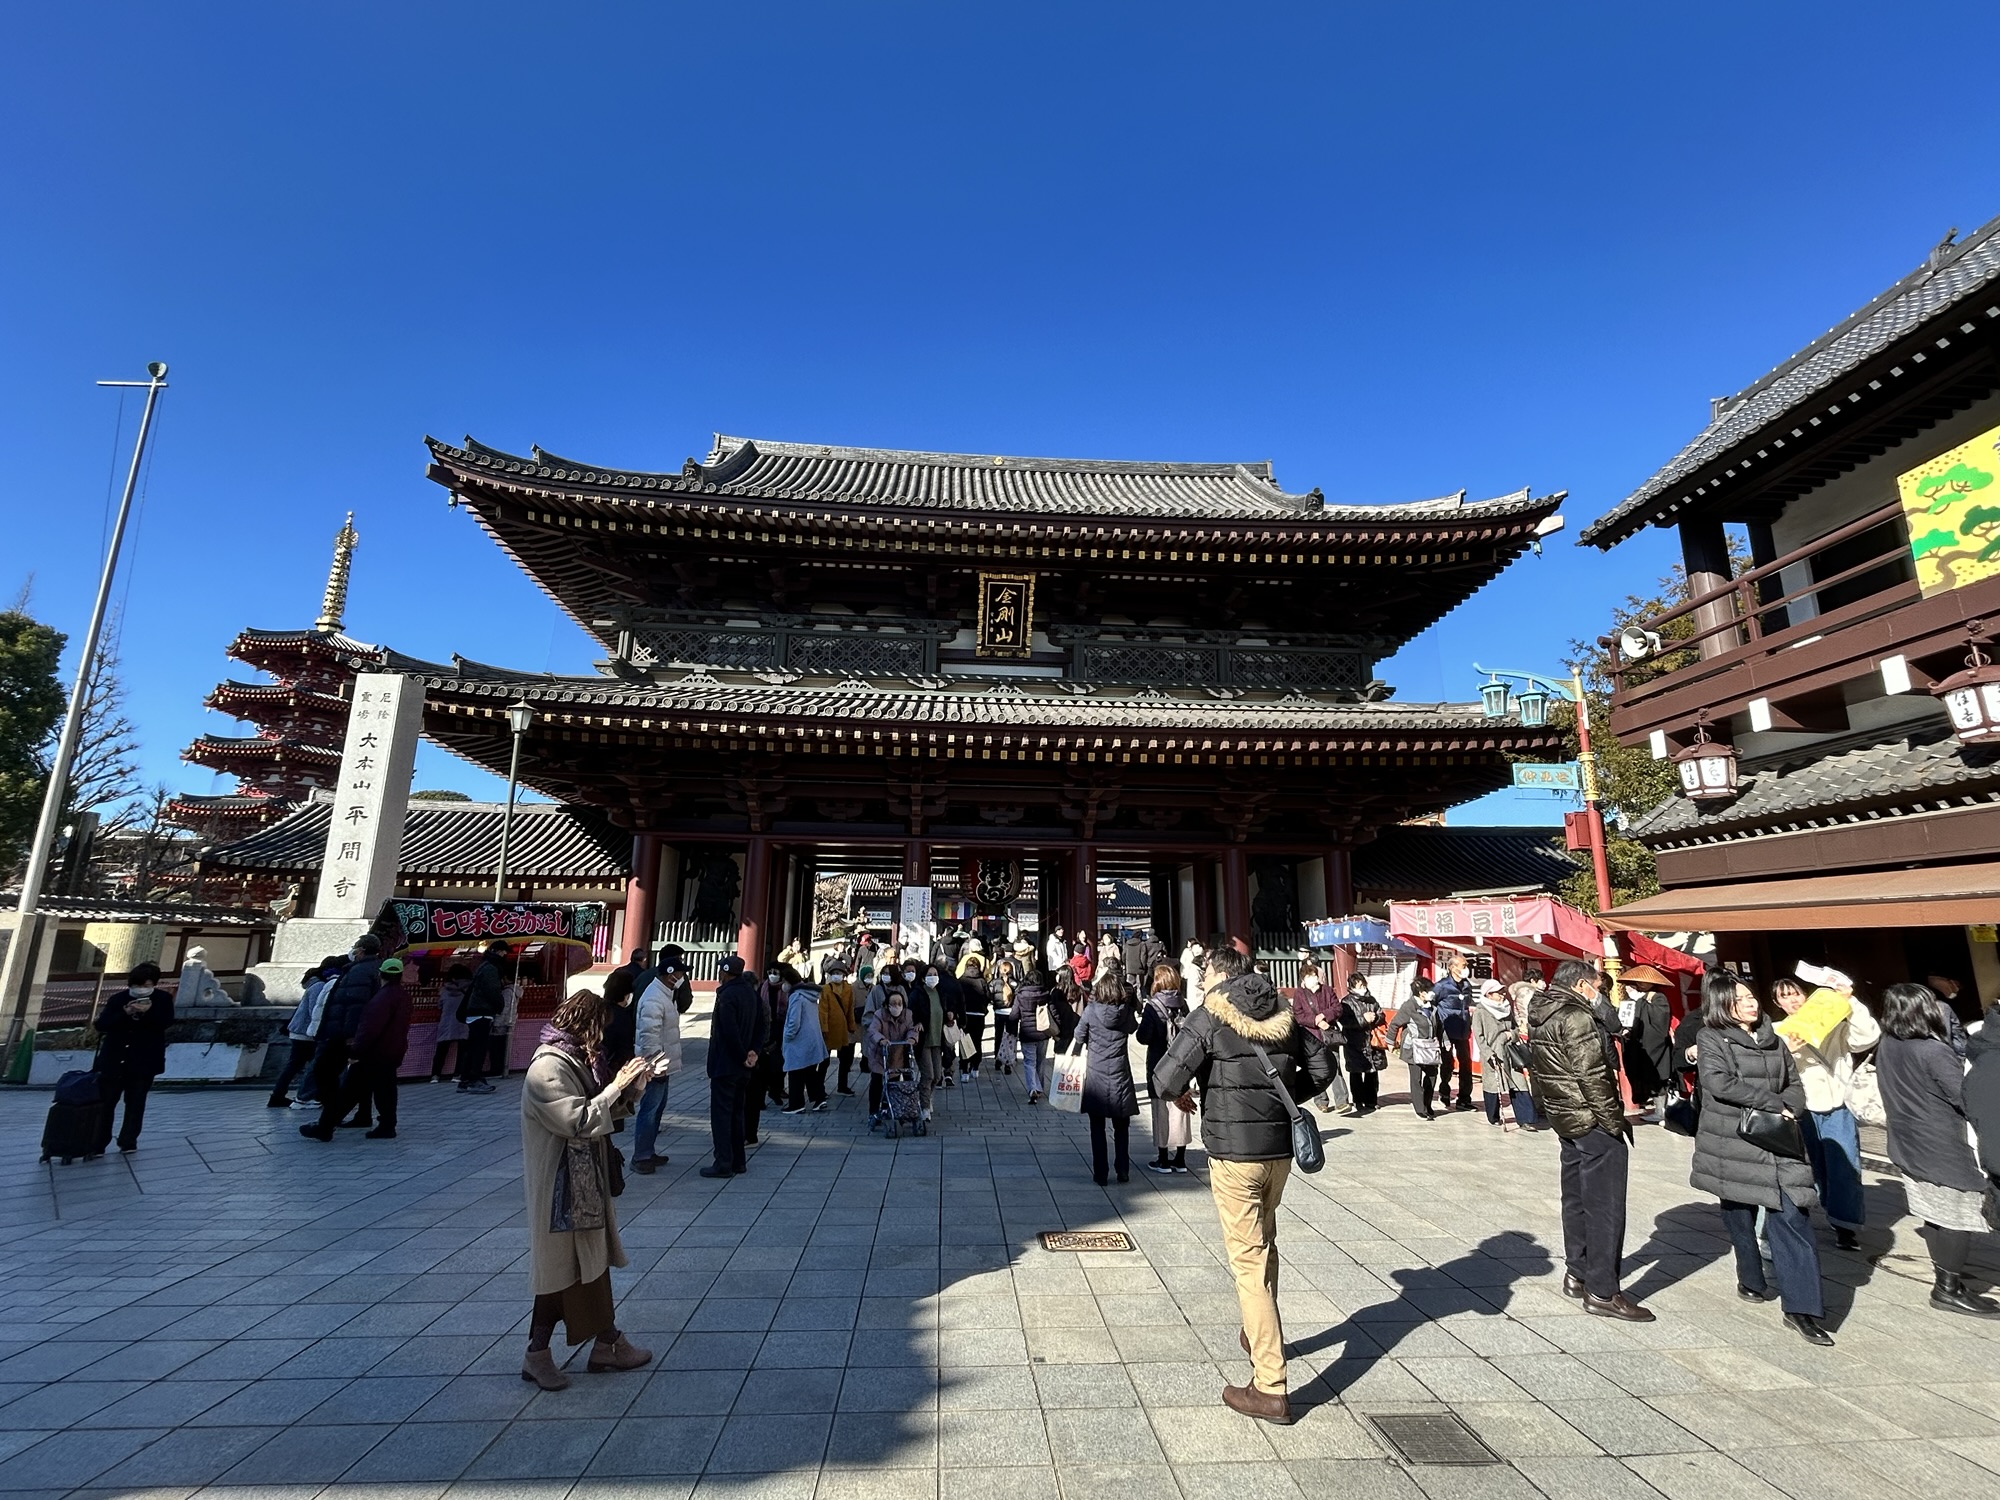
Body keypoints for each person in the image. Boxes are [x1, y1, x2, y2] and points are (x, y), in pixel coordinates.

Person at [1153, 946, 1337, 1424]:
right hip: (1278, 1152)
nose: (1201, 980)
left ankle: (1270, 1385)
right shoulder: (1283, 1011)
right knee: (1265, 1240)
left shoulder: (1210, 1015)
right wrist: (1282, 1097)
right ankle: (1258, 1331)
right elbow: (1324, 1068)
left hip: (1234, 1155)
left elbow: (1164, 1078)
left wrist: (1187, 1093)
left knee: (1248, 1261)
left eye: (1205, 972)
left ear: (1221, 974)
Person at [519, 988, 658, 1390]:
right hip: (560, 1187)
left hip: (582, 1181)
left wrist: (633, 1087)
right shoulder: (547, 1067)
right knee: (564, 1270)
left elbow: (599, 1107)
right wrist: (616, 1086)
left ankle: (603, 1343)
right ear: (585, 1026)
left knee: (586, 1266)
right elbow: (576, 1119)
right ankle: (552, 1351)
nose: (601, 1039)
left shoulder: (577, 1059)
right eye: (599, 1029)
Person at [1689, 971, 1832, 1345]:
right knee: (1739, 1213)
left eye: (1751, 997)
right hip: (1734, 1141)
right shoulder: (1711, 1037)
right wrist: (1774, 1104)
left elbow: (1793, 1083)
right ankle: (1750, 1276)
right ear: (1723, 1004)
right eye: (1740, 999)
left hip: (1779, 1141)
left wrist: (1793, 1108)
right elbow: (1718, 1082)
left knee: (1794, 1215)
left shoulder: (1774, 1038)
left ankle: (1802, 1309)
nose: (1750, 1003)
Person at [1529, 959, 1653, 1321]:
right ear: (1581, 985)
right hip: (1591, 1117)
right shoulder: (1576, 1015)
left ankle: (1578, 1272)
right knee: (1605, 1206)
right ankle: (1602, 1290)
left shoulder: (1542, 1011)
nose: (1599, 994)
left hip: (1564, 1115)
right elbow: (1592, 1074)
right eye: (1597, 988)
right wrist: (1613, 1121)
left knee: (1576, 1198)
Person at [1878, 982, 2000, 1318]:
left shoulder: (1888, 1043)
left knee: (1934, 1214)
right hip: (1943, 1147)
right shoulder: (1932, 1051)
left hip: (1908, 1143)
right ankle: (1947, 1289)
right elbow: (1965, 1095)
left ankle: (1948, 1281)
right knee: (1956, 1217)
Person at [1771, 971, 1877, 1252]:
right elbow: (1769, 1070)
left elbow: (1866, 1038)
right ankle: (1824, 1208)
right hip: (1801, 1108)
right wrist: (1787, 1051)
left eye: (1795, 993)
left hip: (1836, 1103)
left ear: (1806, 995)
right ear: (1777, 1003)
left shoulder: (1835, 1024)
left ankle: (1845, 1225)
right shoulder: (1777, 1031)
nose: (1792, 1000)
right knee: (1814, 1165)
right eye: (1784, 997)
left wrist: (1850, 1001)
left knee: (1845, 1164)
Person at [302, 934, 384, 1139]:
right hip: (353, 1033)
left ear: (361, 950)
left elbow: (355, 1005)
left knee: (325, 1073)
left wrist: (350, 1035)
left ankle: (327, 1122)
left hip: (345, 1035)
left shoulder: (360, 972)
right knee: (355, 1080)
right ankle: (332, 1121)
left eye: (356, 947)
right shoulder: (368, 969)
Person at [326, 956, 413, 1140]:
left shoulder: (381, 998)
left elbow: (369, 1028)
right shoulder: (403, 996)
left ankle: (325, 1125)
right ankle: (386, 1124)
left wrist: (356, 1050)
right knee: (385, 1090)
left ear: (381, 974)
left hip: (374, 1052)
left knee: (350, 1090)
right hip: (393, 1050)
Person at [90, 962, 174, 1153]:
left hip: (143, 1061)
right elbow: (102, 1025)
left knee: (135, 1103)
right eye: (137, 985)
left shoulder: (162, 999)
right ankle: (98, 1142)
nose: (141, 989)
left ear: (154, 984)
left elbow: (165, 1022)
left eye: (146, 985)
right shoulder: (118, 999)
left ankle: (128, 1140)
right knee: (106, 1103)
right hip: (114, 1059)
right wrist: (125, 1013)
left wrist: (148, 1012)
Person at [1075, 964, 1140, 1184]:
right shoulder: (1126, 1011)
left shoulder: (1091, 1010)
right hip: (1120, 1072)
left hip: (1096, 1073)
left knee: (1097, 1128)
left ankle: (1100, 1173)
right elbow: (1133, 1028)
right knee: (1121, 1126)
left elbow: (1079, 1035)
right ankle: (1123, 1169)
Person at [703, 957, 764, 1178]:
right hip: (745, 1066)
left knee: (721, 1116)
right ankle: (739, 1161)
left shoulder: (727, 995)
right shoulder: (751, 993)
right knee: (738, 1113)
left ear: (725, 972)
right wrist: (754, 1052)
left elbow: (729, 1031)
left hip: (726, 1063)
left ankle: (723, 1162)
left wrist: (741, 1055)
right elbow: (761, 1026)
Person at [630, 962, 685, 1173]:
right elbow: (649, 1036)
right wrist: (654, 1066)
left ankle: (648, 1150)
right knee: (649, 1110)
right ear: (670, 975)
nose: (682, 978)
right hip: (655, 1067)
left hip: (663, 1063)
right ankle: (641, 1155)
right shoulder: (654, 998)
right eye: (680, 973)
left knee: (657, 1108)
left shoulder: (665, 994)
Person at [1137, 962, 1192, 1172]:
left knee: (1161, 1110)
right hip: (1181, 1063)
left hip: (1159, 1064)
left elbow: (1143, 1037)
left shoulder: (1153, 1006)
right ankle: (1180, 1158)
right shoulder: (1183, 1004)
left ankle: (1162, 1158)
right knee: (1181, 1109)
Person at [269, 958, 339, 1109]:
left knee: (295, 1065)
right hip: (305, 1033)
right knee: (304, 1065)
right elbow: (315, 1010)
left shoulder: (316, 984)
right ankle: (289, 1096)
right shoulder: (319, 986)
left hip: (301, 1031)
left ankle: (279, 1095)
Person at [1472, 978, 1537, 1131]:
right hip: (1493, 1053)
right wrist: (1488, 1053)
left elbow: (1515, 1029)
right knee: (1493, 1086)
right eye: (1498, 992)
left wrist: (1511, 1035)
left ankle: (1526, 1119)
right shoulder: (1480, 1012)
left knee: (1519, 1083)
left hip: (1510, 1052)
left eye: (1502, 992)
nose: (1502, 995)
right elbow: (1479, 1037)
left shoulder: (1507, 1009)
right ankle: (1493, 1116)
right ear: (1488, 994)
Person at [1618, 964, 1678, 1125]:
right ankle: (1656, 1109)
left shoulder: (1658, 997)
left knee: (1658, 1077)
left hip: (1655, 1044)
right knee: (1643, 1075)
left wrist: (1641, 1002)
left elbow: (1660, 1021)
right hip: (1638, 1043)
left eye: (1644, 982)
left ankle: (1661, 1110)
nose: (1641, 985)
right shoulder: (1634, 997)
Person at [1286, 960, 1342, 1111]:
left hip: (1328, 1033)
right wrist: (1315, 1021)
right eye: (1309, 976)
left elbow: (1337, 1008)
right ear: (1303, 979)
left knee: (1335, 1066)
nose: (1313, 979)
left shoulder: (1327, 990)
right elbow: (1298, 1015)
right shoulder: (1299, 993)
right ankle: (1321, 1101)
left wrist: (1325, 1016)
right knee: (1317, 1068)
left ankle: (1342, 1100)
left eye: (1314, 975)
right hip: (1311, 1036)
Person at [866, 982, 921, 1129]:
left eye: (899, 1003)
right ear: (887, 1005)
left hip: (898, 1055)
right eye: (893, 1003)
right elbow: (873, 1030)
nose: (897, 1006)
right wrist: (881, 1039)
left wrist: (911, 1038)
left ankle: (889, 1108)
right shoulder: (879, 1015)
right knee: (877, 1083)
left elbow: (912, 1029)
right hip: (880, 1055)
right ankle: (873, 1112)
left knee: (893, 1084)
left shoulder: (908, 1015)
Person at [1388, 978, 1443, 1120]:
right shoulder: (1409, 1006)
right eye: (1429, 990)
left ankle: (1427, 1104)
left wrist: (1445, 1042)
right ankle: (1420, 1109)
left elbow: (1439, 1026)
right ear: (1421, 993)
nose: (1432, 993)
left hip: (1430, 1047)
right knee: (1416, 1078)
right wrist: (1390, 1041)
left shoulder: (1432, 1007)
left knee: (1432, 1076)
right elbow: (1395, 1024)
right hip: (1413, 1047)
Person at [459, 942, 510, 1094]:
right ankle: (475, 1078)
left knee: (472, 1047)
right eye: (503, 952)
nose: (505, 955)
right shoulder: (491, 968)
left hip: (475, 1011)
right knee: (479, 1048)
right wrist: (500, 1004)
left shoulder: (484, 965)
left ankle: (465, 1080)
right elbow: (492, 990)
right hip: (482, 1011)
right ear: (496, 951)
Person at [1432, 951, 1475, 1111]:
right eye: (1463, 966)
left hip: (1463, 1031)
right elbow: (1431, 1005)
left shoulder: (1467, 985)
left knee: (1466, 1064)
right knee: (1447, 1063)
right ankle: (1444, 1091)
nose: (1466, 968)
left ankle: (1464, 1099)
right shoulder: (1441, 986)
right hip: (1447, 1031)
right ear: (1452, 967)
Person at [1336, 973, 1384, 1116]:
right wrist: (1363, 1019)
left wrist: (1376, 1017)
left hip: (1371, 1041)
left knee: (1372, 1072)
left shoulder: (1371, 1000)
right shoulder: (1346, 1002)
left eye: (1363, 984)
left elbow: (1381, 1014)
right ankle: (1358, 1100)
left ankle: (1371, 1100)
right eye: (1358, 985)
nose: (1362, 987)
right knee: (1356, 1072)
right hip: (1354, 1042)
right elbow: (1345, 1021)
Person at [782, 971, 830, 1113]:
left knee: (795, 1072)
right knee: (809, 1070)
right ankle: (819, 1098)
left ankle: (796, 1104)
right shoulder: (809, 995)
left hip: (799, 1040)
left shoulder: (796, 996)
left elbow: (794, 1021)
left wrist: (787, 1036)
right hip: (812, 1038)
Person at [911, 961, 947, 1125]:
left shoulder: (940, 992)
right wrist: (917, 1022)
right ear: (923, 978)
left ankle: (925, 1098)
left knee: (937, 1075)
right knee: (928, 1075)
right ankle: (924, 1107)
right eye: (930, 975)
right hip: (923, 1040)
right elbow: (911, 1012)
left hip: (937, 1040)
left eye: (935, 975)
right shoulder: (917, 993)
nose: (933, 978)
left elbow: (942, 1012)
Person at [819, 961, 858, 1096]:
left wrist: (851, 1025)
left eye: (839, 973)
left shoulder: (848, 989)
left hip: (843, 1029)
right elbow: (822, 1011)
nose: (837, 975)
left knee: (845, 1060)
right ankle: (820, 1088)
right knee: (825, 1061)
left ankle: (843, 1085)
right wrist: (824, 1028)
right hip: (829, 1029)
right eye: (834, 973)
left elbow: (850, 1009)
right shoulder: (826, 989)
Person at [1013, 966, 1051, 1102]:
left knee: (1029, 1062)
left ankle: (1032, 1088)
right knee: (1041, 1061)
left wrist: (1011, 1029)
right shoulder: (1046, 994)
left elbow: (1014, 1015)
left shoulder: (1020, 995)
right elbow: (1052, 1012)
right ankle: (1039, 1088)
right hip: (1043, 1032)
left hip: (1027, 1033)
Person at [430, 962, 473, 1083]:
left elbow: (440, 1005)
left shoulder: (444, 990)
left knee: (441, 1050)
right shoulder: (469, 990)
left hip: (446, 1022)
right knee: (462, 1051)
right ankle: (457, 1074)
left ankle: (435, 1075)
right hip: (463, 1022)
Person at [954, 949, 991, 1080]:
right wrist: (984, 1009)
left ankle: (964, 1069)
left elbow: (957, 999)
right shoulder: (982, 981)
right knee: (977, 1041)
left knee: (965, 1042)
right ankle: (975, 1067)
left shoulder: (961, 981)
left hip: (965, 1015)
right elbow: (988, 997)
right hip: (979, 1015)